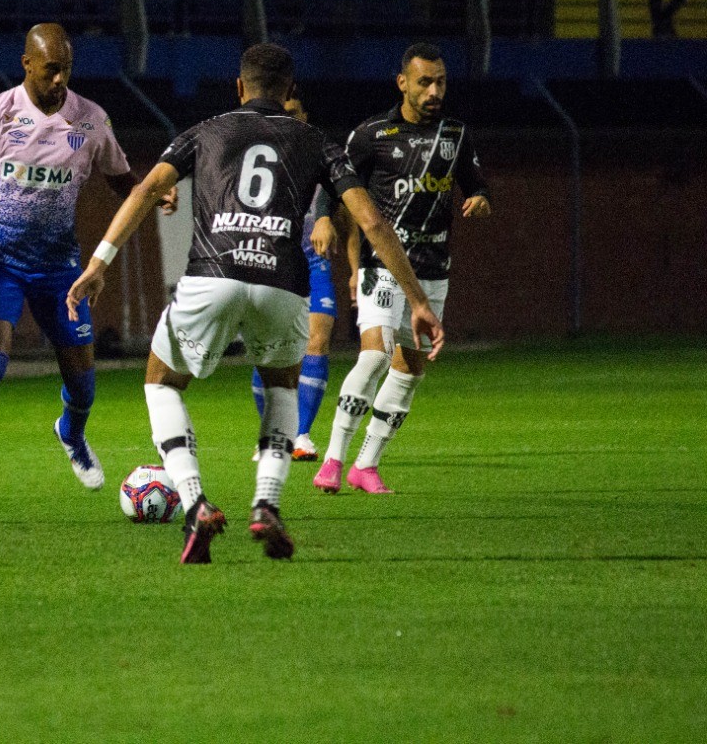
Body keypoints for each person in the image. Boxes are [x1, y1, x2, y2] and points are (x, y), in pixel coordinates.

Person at [67, 43, 443, 564]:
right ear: (291, 93)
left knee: (161, 380)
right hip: (281, 285)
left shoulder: (207, 129)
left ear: (239, 88)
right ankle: (266, 502)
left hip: (211, 277)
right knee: (281, 384)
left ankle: (195, 501)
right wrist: (418, 299)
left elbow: (146, 190)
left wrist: (100, 263)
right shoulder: (314, 140)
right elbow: (374, 222)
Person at [0, 23, 173, 522]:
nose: (61, 79)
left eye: (67, 69)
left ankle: (72, 433)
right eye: (51, 69)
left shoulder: (90, 121)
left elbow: (120, 177)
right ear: (27, 65)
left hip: (60, 267)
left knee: (84, 384)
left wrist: (153, 190)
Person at [313, 42, 491, 496]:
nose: (435, 91)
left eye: (441, 82)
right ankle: (333, 458)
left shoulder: (456, 134)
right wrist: (321, 219)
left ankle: (366, 465)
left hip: (433, 267)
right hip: (383, 264)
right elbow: (332, 183)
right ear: (403, 83)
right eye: (425, 82)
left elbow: (476, 184)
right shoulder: (372, 134)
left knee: (409, 369)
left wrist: (480, 200)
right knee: (374, 355)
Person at [248, 87, 349, 462]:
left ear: (304, 115)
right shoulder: (260, 154)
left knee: (317, 340)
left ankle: (302, 435)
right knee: (268, 350)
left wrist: (324, 217)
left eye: (295, 111)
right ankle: (271, 436)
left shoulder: (320, 151)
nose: (289, 116)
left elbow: (341, 203)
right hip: (270, 261)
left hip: (312, 260)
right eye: (283, 110)